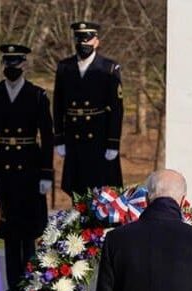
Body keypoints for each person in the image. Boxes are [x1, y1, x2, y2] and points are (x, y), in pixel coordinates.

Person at [0, 44, 53, 291]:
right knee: (10, 231)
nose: (11, 68)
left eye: (16, 63)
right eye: (8, 63)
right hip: (4, 167)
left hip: (30, 167)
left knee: (29, 230)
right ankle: (14, 285)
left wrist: (46, 173)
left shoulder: (37, 95)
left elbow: (47, 136)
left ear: (24, 64)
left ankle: (31, 284)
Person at [53, 21, 123, 197]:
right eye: (80, 39)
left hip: (99, 138)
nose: (84, 43)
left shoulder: (109, 68)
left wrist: (113, 142)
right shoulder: (64, 67)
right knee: (77, 191)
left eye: (88, 39)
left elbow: (116, 109)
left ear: (96, 42)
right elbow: (58, 105)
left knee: (101, 190)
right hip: (74, 138)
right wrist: (59, 138)